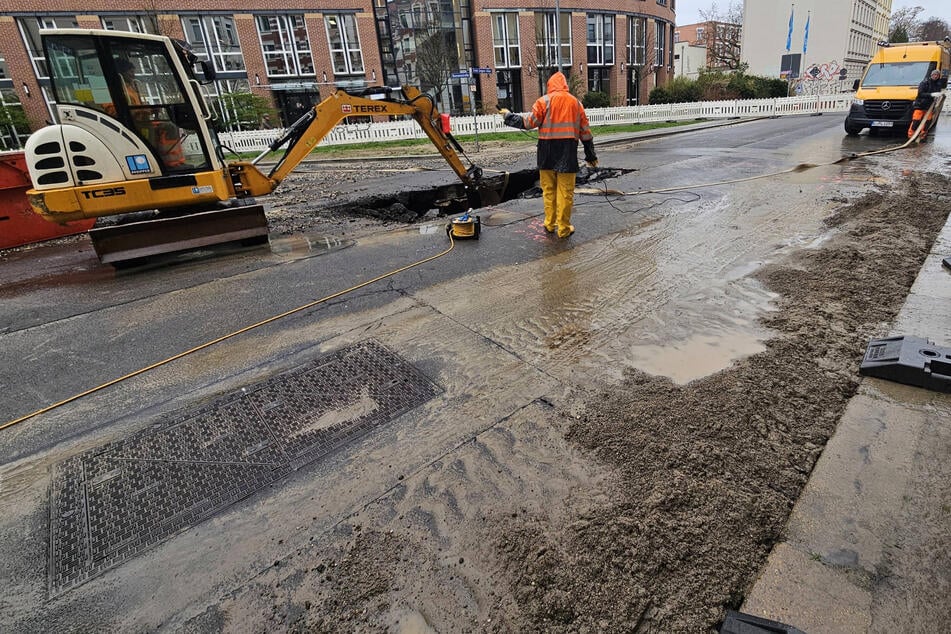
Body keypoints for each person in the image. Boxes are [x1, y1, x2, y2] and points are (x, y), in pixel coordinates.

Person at [503, 71, 597, 239]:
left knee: (548, 190)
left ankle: (550, 223)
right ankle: (563, 228)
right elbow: (586, 133)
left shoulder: (543, 101)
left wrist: (509, 116)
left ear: (550, 85)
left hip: (546, 153)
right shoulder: (576, 103)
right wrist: (590, 155)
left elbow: (528, 122)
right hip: (567, 153)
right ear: (565, 85)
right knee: (565, 192)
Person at [908, 68, 945, 140]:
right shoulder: (925, 83)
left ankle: (922, 136)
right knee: (916, 121)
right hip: (920, 105)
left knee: (927, 122)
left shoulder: (938, 84)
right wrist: (931, 95)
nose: (935, 76)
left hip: (929, 107)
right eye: (934, 75)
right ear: (931, 75)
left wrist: (939, 95)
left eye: (937, 75)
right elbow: (920, 94)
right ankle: (911, 136)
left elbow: (938, 93)